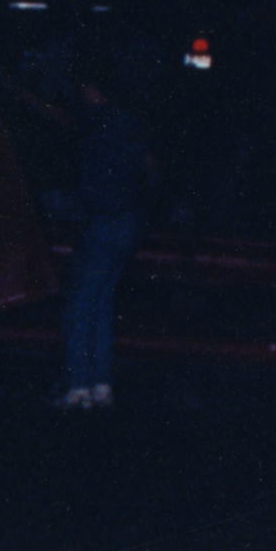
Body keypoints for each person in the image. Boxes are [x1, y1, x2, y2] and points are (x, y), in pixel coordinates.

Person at [56, 48, 156, 409]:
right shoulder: (130, 122)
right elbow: (149, 167)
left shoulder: (96, 122)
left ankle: (78, 385)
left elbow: (63, 121)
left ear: (91, 89)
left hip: (104, 220)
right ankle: (100, 383)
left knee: (81, 304)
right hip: (129, 220)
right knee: (102, 302)